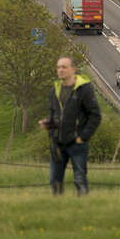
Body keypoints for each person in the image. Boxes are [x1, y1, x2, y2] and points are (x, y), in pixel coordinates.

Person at [39, 56, 100, 196]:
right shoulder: (55, 89)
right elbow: (53, 113)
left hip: (77, 143)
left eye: (64, 67)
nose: (60, 70)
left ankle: (83, 209)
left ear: (73, 69)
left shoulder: (84, 89)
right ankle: (58, 208)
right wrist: (48, 123)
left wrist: (82, 137)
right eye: (58, 67)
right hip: (57, 143)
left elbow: (95, 116)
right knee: (54, 179)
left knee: (80, 179)